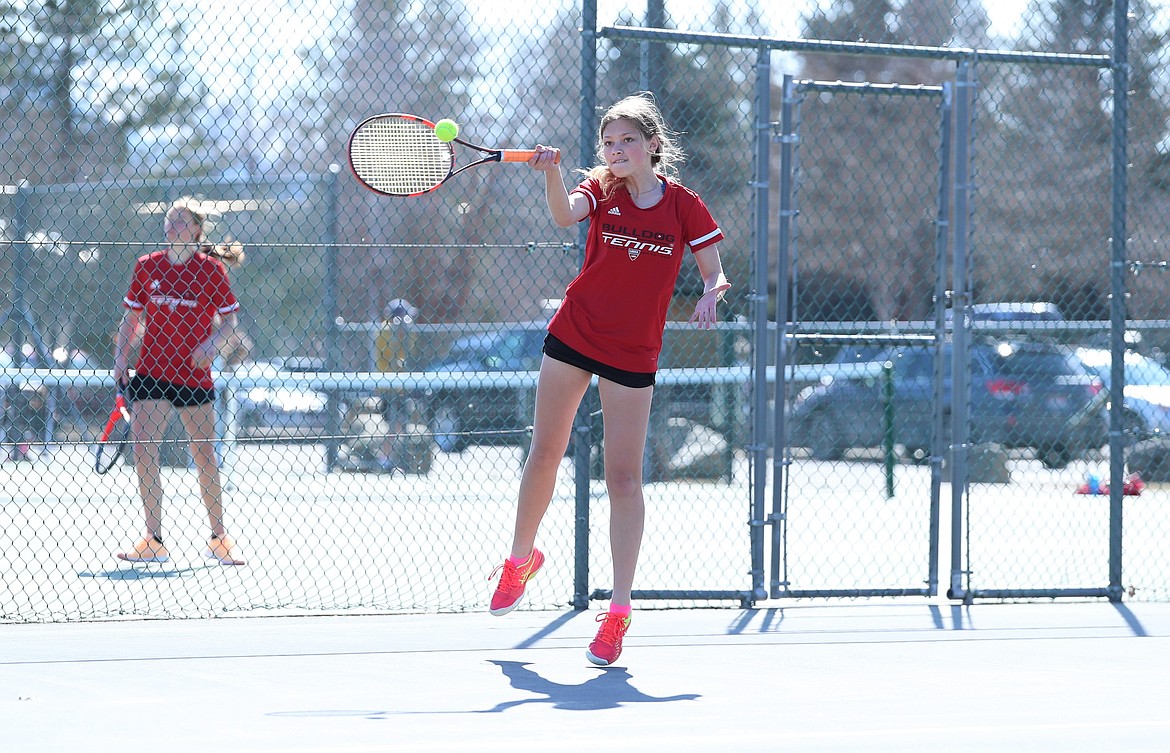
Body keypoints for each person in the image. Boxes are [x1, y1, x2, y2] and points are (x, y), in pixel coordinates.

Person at [488, 93, 731, 666]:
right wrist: (550, 175)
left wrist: (712, 290)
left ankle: (618, 612)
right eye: (608, 142)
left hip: (634, 351)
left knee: (623, 479)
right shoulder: (601, 189)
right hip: (574, 333)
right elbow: (563, 214)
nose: (616, 151)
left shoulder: (684, 207)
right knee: (544, 453)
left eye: (627, 141)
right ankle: (519, 559)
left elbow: (714, 267)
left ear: (653, 145)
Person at [112, 197, 247, 566]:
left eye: (179, 220)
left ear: (196, 230)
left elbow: (231, 324)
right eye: (169, 219)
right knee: (143, 450)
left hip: (194, 377)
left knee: (204, 456)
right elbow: (131, 318)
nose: (171, 225)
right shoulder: (147, 266)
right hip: (152, 372)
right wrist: (122, 356)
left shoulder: (212, 271)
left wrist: (213, 344)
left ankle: (219, 538)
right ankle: (154, 539)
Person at [373, 298, 418, 474]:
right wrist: (399, 333)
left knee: (400, 423)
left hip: (401, 386)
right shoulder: (385, 330)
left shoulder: (405, 332)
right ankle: (384, 458)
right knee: (393, 423)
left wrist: (405, 332)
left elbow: (409, 351)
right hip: (388, 386)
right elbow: (391, 356)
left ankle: (392, 457)